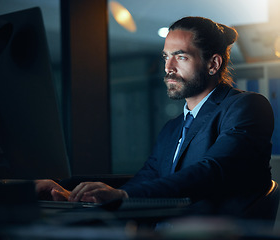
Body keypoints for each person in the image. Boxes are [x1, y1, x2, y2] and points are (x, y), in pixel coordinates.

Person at [36, 16, 274, 216]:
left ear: (213, 64)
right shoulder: (173, 128)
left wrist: (124, 195)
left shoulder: (246, 106)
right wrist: (75, 195)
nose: (168, 67)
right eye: (165, 56)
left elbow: (212, 171)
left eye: (180, 56)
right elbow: (144, 182)